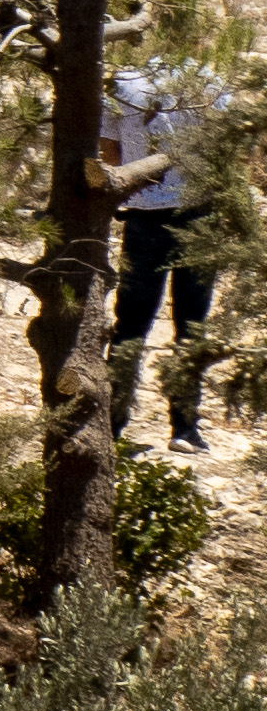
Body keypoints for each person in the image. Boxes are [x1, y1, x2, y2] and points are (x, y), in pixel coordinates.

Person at [101, 24, 235, 456]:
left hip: (143, 215)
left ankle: (112, 421)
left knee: (131, 324)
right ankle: (185, 427)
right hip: (200, 215)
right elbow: (226, 154)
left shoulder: (124, 85)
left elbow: (109, 154)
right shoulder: (212, 86)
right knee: (191, 325)